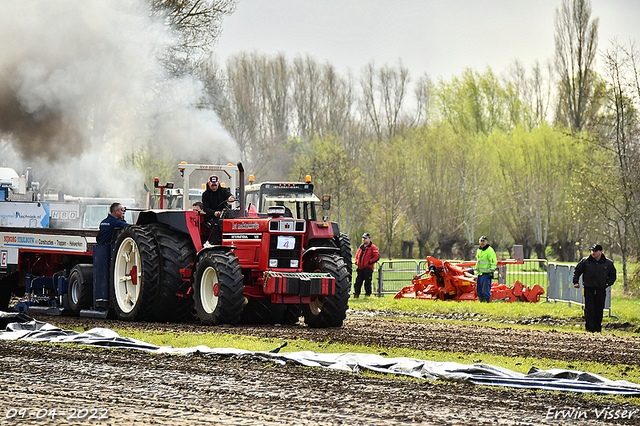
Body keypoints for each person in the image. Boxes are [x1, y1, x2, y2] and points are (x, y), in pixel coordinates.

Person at [572, 243, 617, 332]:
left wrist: (607, 283)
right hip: (589, 288)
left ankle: (597, 328)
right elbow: (577, 271)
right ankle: (590, 328)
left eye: (595, 251)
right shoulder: (586, 261)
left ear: (601, 252)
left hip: (601, 289)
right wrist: (576, 282)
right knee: (589, 308)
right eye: (592, 251)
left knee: (599, 308)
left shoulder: (608, 263)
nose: (593, 253)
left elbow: (613, 275)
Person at [202, 175, 234, 243]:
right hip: (212, 217)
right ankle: (214, 243)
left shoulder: (224, 191)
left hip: (224, 215)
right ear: (209, 184)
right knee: (215, 225)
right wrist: (214, 213)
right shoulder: (206, 194)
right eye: (212, 185)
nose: (214, 187)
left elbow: (229, 195)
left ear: (218, 184)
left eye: (215, 185)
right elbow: (206, 207)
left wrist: (230, 198)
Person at [353, 232, 379, 298]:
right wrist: (356, 261)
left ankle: (367, 295)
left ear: (369, 239)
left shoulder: (373, 248)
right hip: (360, 267)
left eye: (365, 238)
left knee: (367, 283)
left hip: (368, 268)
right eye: (363, 238)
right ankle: (356, 294)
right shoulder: (361, 247)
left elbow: (376, 257)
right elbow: (357, 255)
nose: (364, 239)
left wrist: (369, 262)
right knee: (358, 282)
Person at [476, 236, 497, 302]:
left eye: (483, 241)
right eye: (481, 241)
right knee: (479, 290)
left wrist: (491, 272)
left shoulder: (490, 251)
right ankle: (481, 301)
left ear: (487, 242)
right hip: (480, 273)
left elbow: (493, 262)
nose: (482, 242)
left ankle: (487, 302)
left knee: (485, 290)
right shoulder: (479, 250)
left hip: (486, 274)